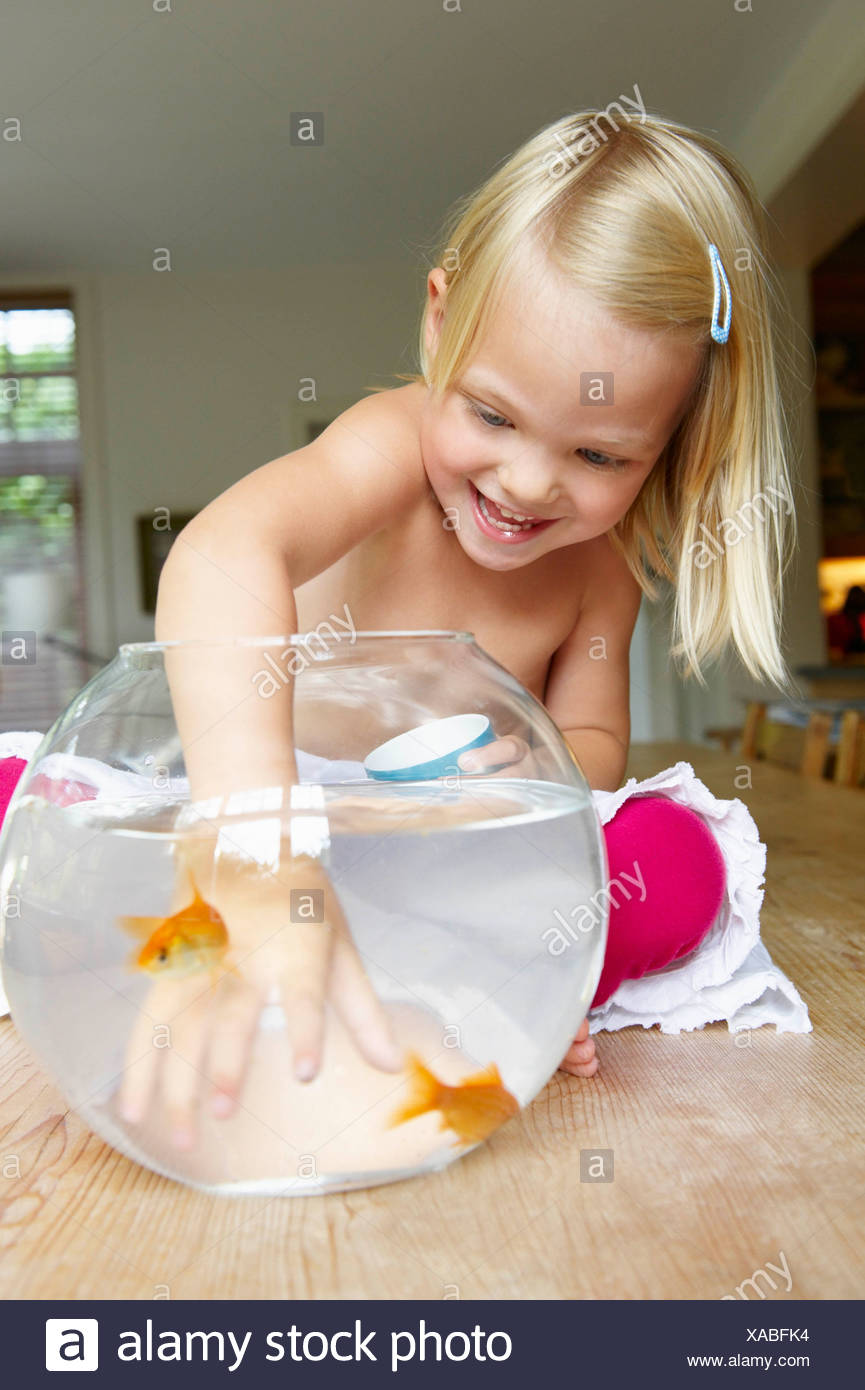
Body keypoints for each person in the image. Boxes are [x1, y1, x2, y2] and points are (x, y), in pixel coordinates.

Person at [112, 109, 799, 1147]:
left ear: (669, 443)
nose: (526, 483)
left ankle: (532, 973)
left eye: (600, 457)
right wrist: (262, 843)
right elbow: (217, 554)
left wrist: (533, 765)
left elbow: (598, 757)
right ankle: (270, 941)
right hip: (263, 807)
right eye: (491, 416)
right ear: (440, 324)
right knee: (42, 808)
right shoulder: (384, 454)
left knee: (680, 857)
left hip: (451, 868)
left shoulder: (600, 577)